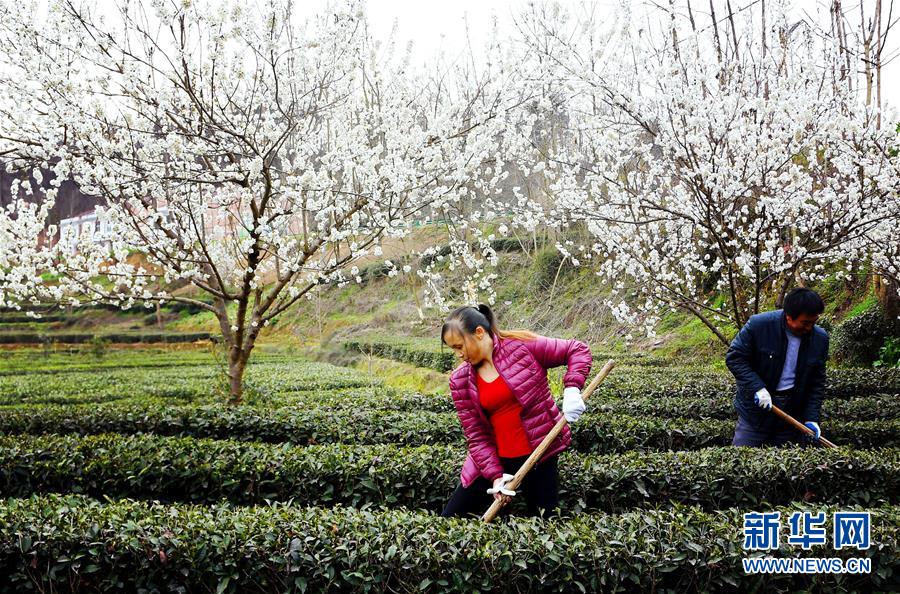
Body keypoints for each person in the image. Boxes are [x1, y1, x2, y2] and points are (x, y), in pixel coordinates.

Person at [439, 304, 592, 518]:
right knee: (451, 518)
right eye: (453, 349)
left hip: (539, 456)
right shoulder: (460, 380)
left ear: (480, 333)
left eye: (459, 346)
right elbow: (477, 436)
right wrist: (495, 476)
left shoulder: (522, 347)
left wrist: (573, 388)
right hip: (495, 462)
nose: (458, 354)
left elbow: (576, 350)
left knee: (544, 523)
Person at [725, 288, 829, 447]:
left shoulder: (820, 339)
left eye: (813, 322)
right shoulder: (759, 325)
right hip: (755, 414)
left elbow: (816, 382)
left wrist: (811, 418)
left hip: (792, 413)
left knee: (784, 466)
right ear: (789, 316)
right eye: (805, 322)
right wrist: (757, 387)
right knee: (741, 460)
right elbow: (735, 357)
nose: (809, 328)